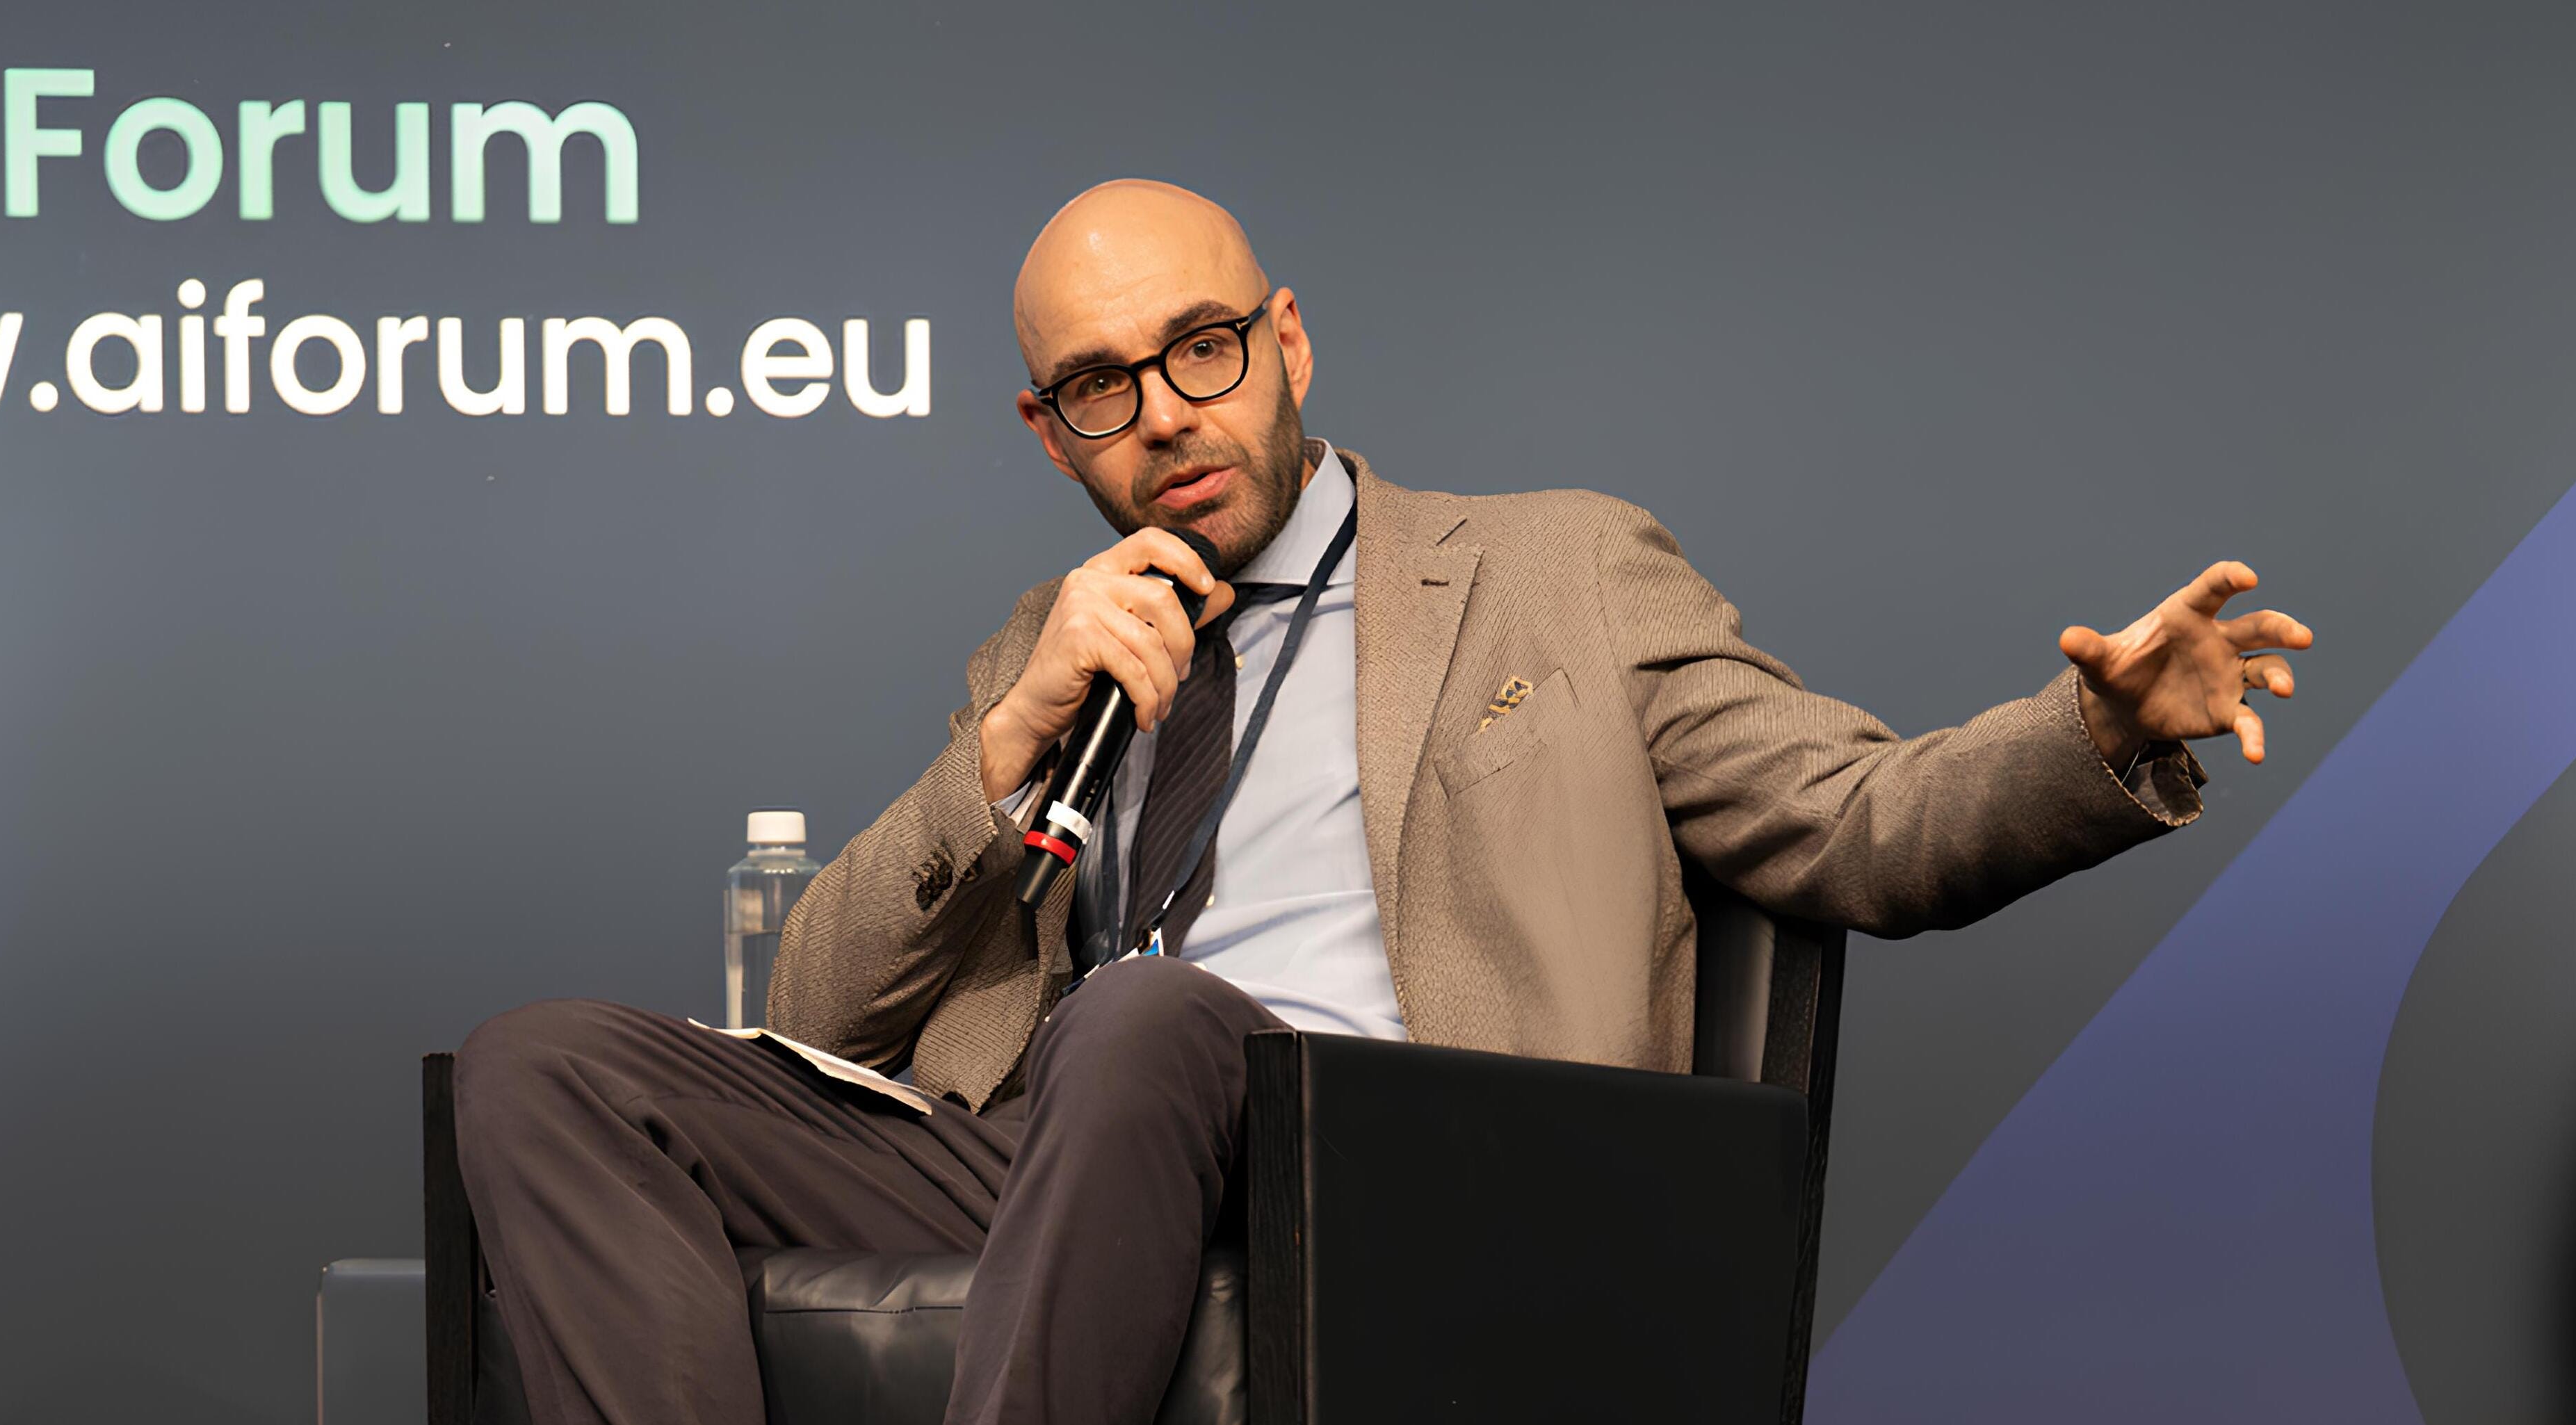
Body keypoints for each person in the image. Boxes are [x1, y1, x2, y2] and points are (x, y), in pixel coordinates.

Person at [451, 179, 2315, 1425]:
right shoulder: (1056, 641)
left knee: (1147, 1017)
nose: (1165, 414)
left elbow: (1859, 819)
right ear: (1047, 430)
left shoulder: (1557, 569)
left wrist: (2090, 735)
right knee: (546, 1066)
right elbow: (813, 1023)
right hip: (1072, 1140)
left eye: (1200, 351)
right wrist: (1009, 736)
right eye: (1100, 388)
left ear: (1286, 341)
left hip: (1409, 1155)